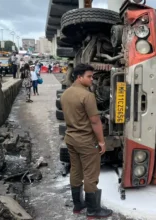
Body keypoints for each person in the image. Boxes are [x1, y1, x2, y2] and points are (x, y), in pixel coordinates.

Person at [60, 64, 112, 218]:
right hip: (86, 141)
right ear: (79, 77)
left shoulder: (66, 94)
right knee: (90, 175)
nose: (92, 79)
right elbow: (95, 122)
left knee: (75, 170)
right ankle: (93, 211)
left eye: (92, 76)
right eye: (89, 76)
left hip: (70, 138)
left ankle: (78, 205)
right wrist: (102, 142)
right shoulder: (87, 96)